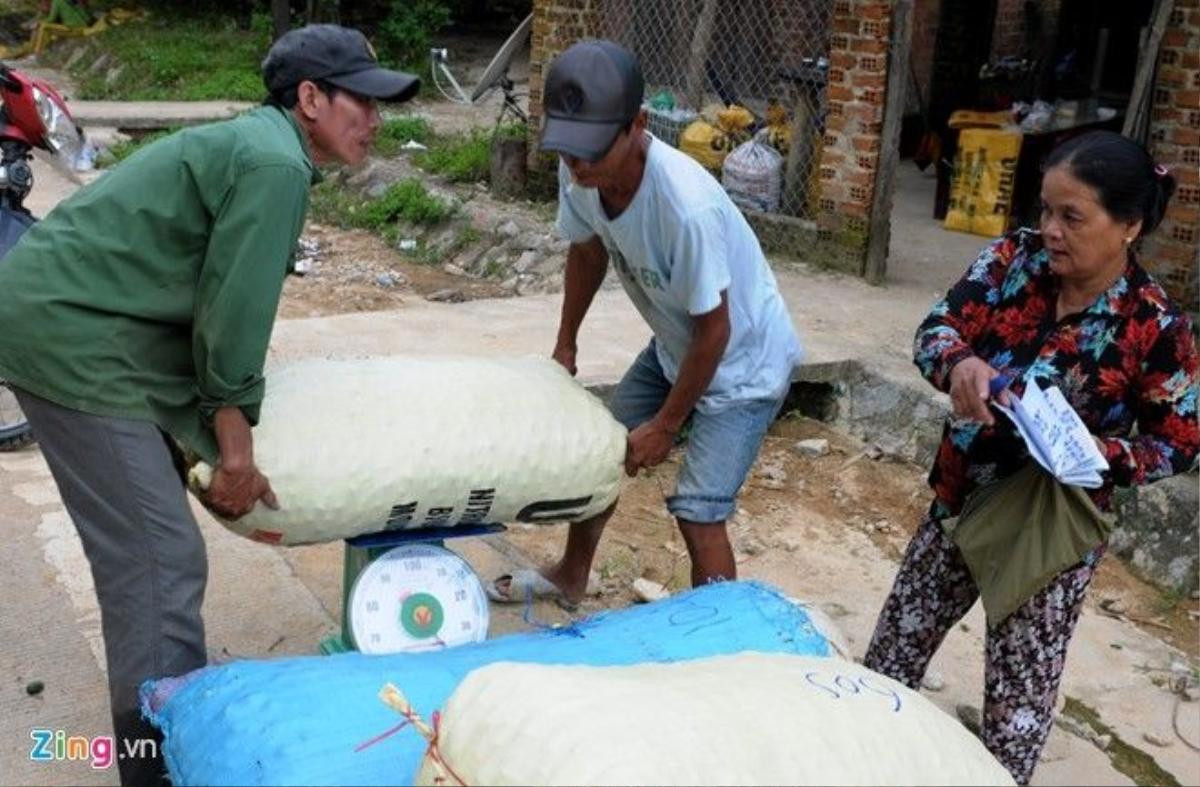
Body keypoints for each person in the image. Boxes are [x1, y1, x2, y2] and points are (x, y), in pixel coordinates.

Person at [0, 25, 419, 786]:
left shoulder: (265, 148)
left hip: (84, 319)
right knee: (160, 561)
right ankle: (154, 762)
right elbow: (232, 321)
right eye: (364, 101)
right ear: (311, 99)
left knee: (144, 545)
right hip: (72, 334)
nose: (376, 120)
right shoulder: (272, 163)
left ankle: (150, 732)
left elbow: (208, 305)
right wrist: (234, 450)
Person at [863, 130, 1198, 785]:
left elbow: (1179, 442)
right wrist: (959, 363)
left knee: (1015, 713)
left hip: (1050, 532)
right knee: (889, 662)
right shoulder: (1011, 259)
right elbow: (937, 329)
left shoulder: (1154, 325)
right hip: (962, 498)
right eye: (1046, 209)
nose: (1049, 229)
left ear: (1128, 225)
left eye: (1071, 216)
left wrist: (1099, 454)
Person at [487, 40, 802, 606]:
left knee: (698, 512)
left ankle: (722, 637)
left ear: (638, 124)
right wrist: (566, 344)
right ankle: (571, 575)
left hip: (744, 363)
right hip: (677, 346)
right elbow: (587, 251)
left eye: (590, 150)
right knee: (599, 457)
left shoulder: (686, 207)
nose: (577, 165)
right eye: (567, 150)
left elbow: (717, 332)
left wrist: (665, 424)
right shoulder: (578, 172)